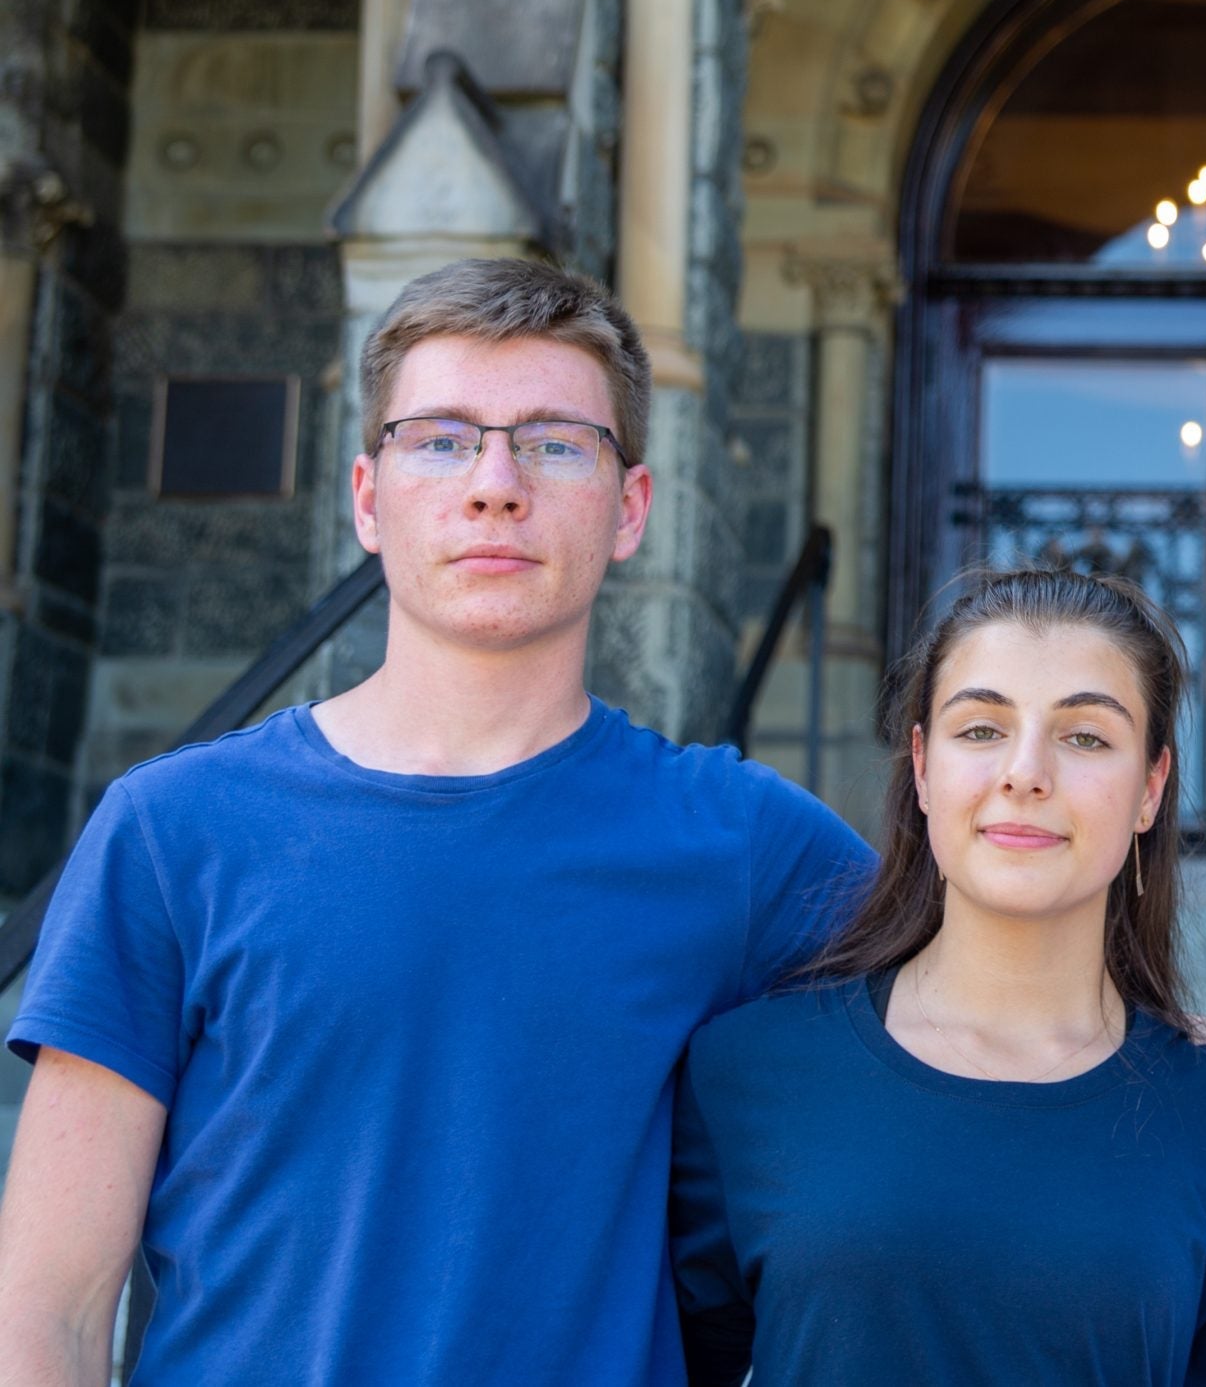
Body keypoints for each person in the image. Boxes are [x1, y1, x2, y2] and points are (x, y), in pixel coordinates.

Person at [0, 260, 872, 1385]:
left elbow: (998, 992)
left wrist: (1167, 1033)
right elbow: (49, 1311)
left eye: (557, 442)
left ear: (631, 508)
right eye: (442, 438)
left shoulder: (741, 843)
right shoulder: (173, 831)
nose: (496, 484)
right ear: (367, 497)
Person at [669, 567, 1206, 1386]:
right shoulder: (747, 1073)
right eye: (982, 729)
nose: (1025, 772)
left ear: (1151, 787)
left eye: (1086, 737)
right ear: (922, 766)